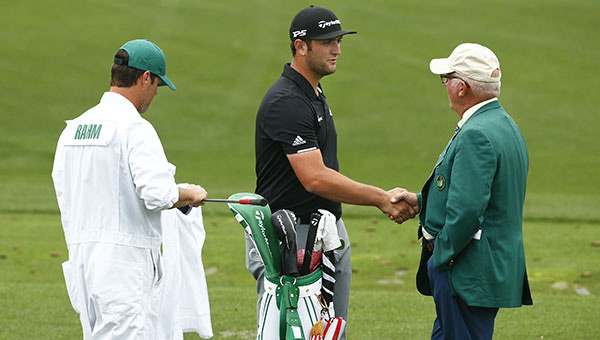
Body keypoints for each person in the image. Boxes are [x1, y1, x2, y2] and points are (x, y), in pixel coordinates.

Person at [250, 5, 416, 338]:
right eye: (327, 42)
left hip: (324, 230)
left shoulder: (311, 93)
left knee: (331, 331)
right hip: (291, 237)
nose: (337, 50)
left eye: (338, 41)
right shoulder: (287, 101)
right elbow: (315, 177)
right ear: (301, 46)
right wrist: (381, 199)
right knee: (295, 332)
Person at [51, 39, 208, 340]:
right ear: (145, 77)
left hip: (82, 263)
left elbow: (63, 188)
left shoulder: (73, 128)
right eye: (157, 85)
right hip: (124, 266)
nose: (154, 95)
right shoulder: (134, 127)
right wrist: (189, 194)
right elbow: (158, 193)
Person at [391, 43, 533, 340]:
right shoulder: (503, 124)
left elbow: (468, 210)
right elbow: (483, 195)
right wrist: (421, 202)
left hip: (467, 271)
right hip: (481, 268)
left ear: (462, 87)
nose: (444, 85)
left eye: (447, 79)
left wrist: (440, 255)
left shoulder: (477, 133)